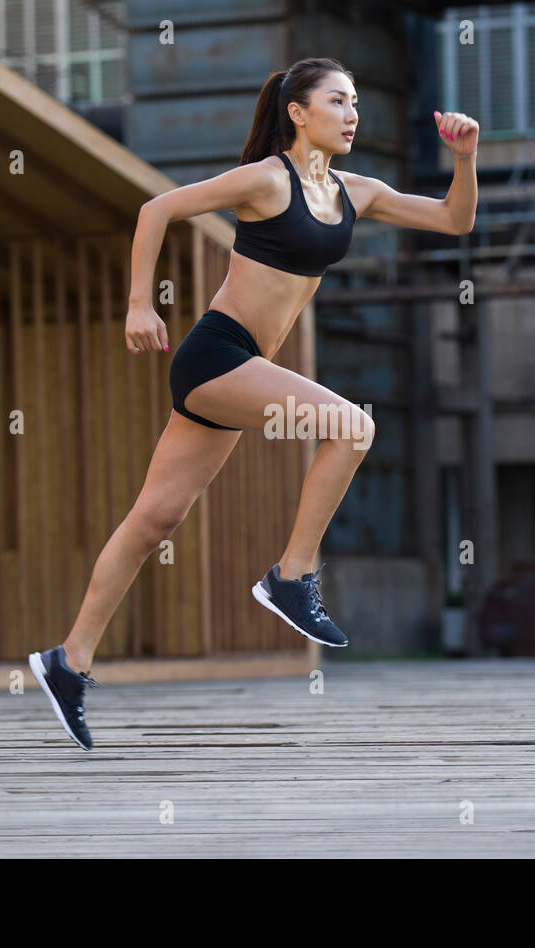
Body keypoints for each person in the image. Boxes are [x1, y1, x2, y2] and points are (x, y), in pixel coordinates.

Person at [30, 57, 479, 750]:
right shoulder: (268, 179)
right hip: (217, 355)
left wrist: (467, 157)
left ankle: (68, 661)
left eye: (356, 101)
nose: (352, 113)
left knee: (155, 522)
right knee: (351, 427)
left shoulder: (356, 191)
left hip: (244, 369)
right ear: (298, 112)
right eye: (337, 101)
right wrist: (139, 303)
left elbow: (454, 219)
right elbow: (160, 208)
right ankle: (291, 577)